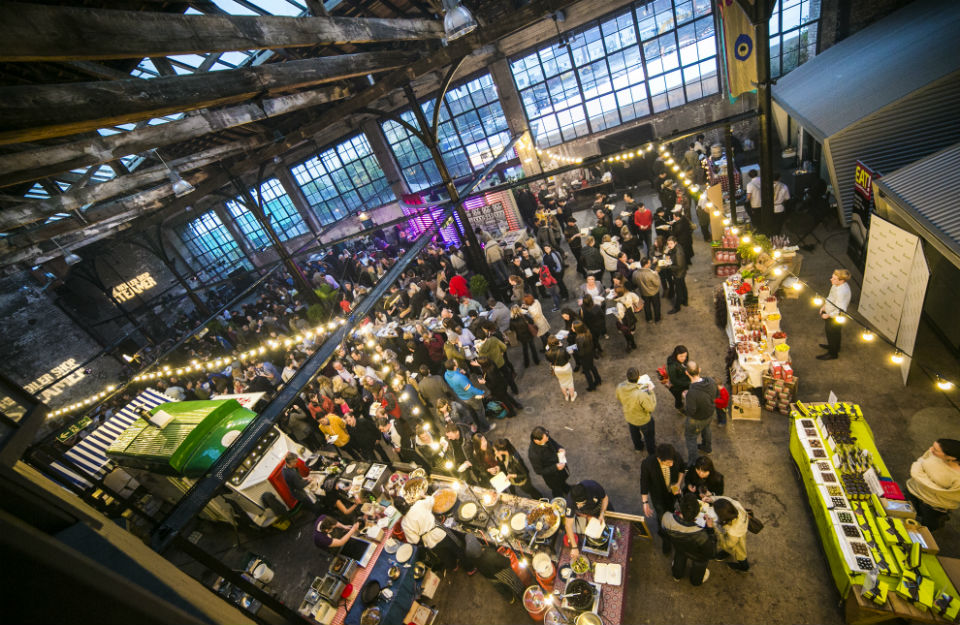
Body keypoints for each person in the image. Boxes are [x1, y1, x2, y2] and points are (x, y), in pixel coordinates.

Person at [662, 492, 717, 585]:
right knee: (701, 563)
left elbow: (664, 533)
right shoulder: (702, 535)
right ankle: (695, 581)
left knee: (679, 557)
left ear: (679, 508)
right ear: (697, 513)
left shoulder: (666, 518)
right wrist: (710, 529)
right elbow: (711, 553)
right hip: (697, 555)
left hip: (679, 548)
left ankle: (677, 575)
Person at [906, 439, 960, 530]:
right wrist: (925, 482)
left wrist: (919, 476)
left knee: (924, 528)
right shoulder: (932, 453)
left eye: (935, 450)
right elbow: (921, 461)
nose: (930, 449)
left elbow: (951, 495)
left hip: (933, 508)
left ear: (951, 458)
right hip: (912, 491)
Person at [641, 444, 685, 554]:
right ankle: (665, 538)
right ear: (659, 459)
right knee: (661, 515)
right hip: (658, 495)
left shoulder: (675, 457)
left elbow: (682, 470)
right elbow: (644, 483)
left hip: (672, 493)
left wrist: (678, 484)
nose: (672, 464)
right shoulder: (648, 464)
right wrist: (645, 502)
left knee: (671, 510)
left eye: (672, 461)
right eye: (669, 463)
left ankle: (670, 527)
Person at [401, 493, 464, 571]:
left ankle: (454, 567)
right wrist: (423, 495)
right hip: (440, 532)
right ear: (406, 502)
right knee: (457, 547)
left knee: (444, 556)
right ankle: (469, 568)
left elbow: (415, 540)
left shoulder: (404, 523)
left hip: (430, 542)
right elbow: (431, 500)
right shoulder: (418, 505)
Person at [564, 480, 610, 560]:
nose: (579, 505)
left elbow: (605, 499)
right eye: (577, 504)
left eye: (581, 503)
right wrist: (574, 547)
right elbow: (568, 525)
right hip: (587, 513)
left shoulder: (593, 486)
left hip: (600, 508)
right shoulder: (570, 501)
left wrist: (602, 514)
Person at [443, 360, 493, 433]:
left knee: (472, 412)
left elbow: (456, 374)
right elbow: (470, 389)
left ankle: (479, 424)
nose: (457, 362)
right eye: (455, 362)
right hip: (470, 397)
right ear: (454, 367)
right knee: (480, 411)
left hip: (462, 396)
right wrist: (481, 392)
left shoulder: (446, 374)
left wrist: (459, 371)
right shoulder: (459, 378)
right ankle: (486, 427)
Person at [615, 367, 657, 455]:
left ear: (627, 377)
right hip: (643, 420)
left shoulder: (620, 386)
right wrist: (651, 392)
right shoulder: (641, 393)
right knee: (649, 437)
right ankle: (651, 452)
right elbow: (651, 408)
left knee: (634, 433)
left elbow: (619, 397)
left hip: (629, 416)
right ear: (638, 377)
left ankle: (638, 447)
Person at [682, 361, 717, 464]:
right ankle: (707, 448)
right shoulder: (710, 381)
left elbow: (690, 412)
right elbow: (716, 394)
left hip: (697, 420)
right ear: (699, 370)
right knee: (706, 429)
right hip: (709, 413)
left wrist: (686, 397)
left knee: (691, 438)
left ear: (687, 373)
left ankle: (693, 462)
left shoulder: (691, 393)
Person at [817, 269, 852, 361]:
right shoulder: (835, 285)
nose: (831, 279)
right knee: (834, 333)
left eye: (834, 278)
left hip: (835, 317)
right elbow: (831, 297)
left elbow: (841, 309)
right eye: (832, 277)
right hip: (829, 311)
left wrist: (828, 315)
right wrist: (824, 306)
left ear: (842, 281)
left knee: (832, 333)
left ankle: (833, 353)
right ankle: (835, 347)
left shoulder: (842, 292)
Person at [528, 426, 570, 497]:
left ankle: (566, 489)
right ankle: (559, 497)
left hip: (560, 469)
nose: (548, 439)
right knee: (557, 489)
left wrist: (559, 448)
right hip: (552, 477)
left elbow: (555, 443)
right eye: (545, 439)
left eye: (547, 437)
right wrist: (555, 467)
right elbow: (539, 471)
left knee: (563, 482)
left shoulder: (545, 436)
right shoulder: (534, 454)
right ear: (537, 440)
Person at [712, 496, 750, 571]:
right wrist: (712, 498)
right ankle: (726, 553)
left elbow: (727, 544)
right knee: (734, 549)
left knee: (740, 553)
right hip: (742, 530)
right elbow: (728, 499)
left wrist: (716, 529)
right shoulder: (736, 506)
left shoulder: (733, 531)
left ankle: (744, 567)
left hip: (736, 539)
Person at [546, 335, 577, 402]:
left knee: (562, 383)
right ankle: (572, 397)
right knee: (570, 382)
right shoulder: (562, 350)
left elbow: (549, 360)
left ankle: (566, 396)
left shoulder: (547, 352)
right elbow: (568, 357)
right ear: (557, 342)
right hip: (566, 367)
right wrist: (561, 346)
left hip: (556, 369)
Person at [572, 321, 600, 392]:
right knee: (592, 367)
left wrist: (574, 351)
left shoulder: (579, 338)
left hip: (585, 357)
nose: (571, 328)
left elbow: (581, 352)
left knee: (587, 371)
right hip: (590, 354)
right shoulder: (587, 333)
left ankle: (592, 386)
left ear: (576, 329)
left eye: (573, 327)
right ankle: (598, 380)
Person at [633, 257, 662, 323]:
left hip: (643, 293)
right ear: (646, 264)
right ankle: (657, 318)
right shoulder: (651, 274)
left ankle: (649, 319)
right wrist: (656, 275)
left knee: (646, 306)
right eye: (649, 262)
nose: (650, 263)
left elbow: (634, 282)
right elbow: (657, 283)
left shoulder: (635, 273)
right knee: (656, 305)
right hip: (653, 293)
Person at [613, 285, 640, 352]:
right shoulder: (629, 295)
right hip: (631, 314)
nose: (613, 293)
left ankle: (630, 343)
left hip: (624, 320)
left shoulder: (619, 304)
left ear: (618, 294)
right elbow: (637, 299)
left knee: (626, 333)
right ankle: (633, 343)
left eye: (615, 292)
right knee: (631, 327)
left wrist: (615, 314)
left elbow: (621, 316)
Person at [665, 236, 688, 314]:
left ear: (675, 243)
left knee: (678, 290)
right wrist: (668, 252)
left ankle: (677, 307)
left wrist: (668, 266)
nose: (669, 245)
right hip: (681, 272)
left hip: (678, 273)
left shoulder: (678, 252)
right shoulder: (676, 247)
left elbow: (679, 266)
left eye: (671, 244)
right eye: (668, 244)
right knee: (683, 286)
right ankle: (685, 301)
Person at [665, 345, 690, 409]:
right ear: (676, 355)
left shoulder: (682, 361)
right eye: (681, 356)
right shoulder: (672, 367)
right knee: (678, 399)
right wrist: (688, 383)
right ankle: (679, 407)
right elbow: (674, 381)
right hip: (676, 388)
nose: (684, 358)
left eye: (685, 356)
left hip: (683, 382)